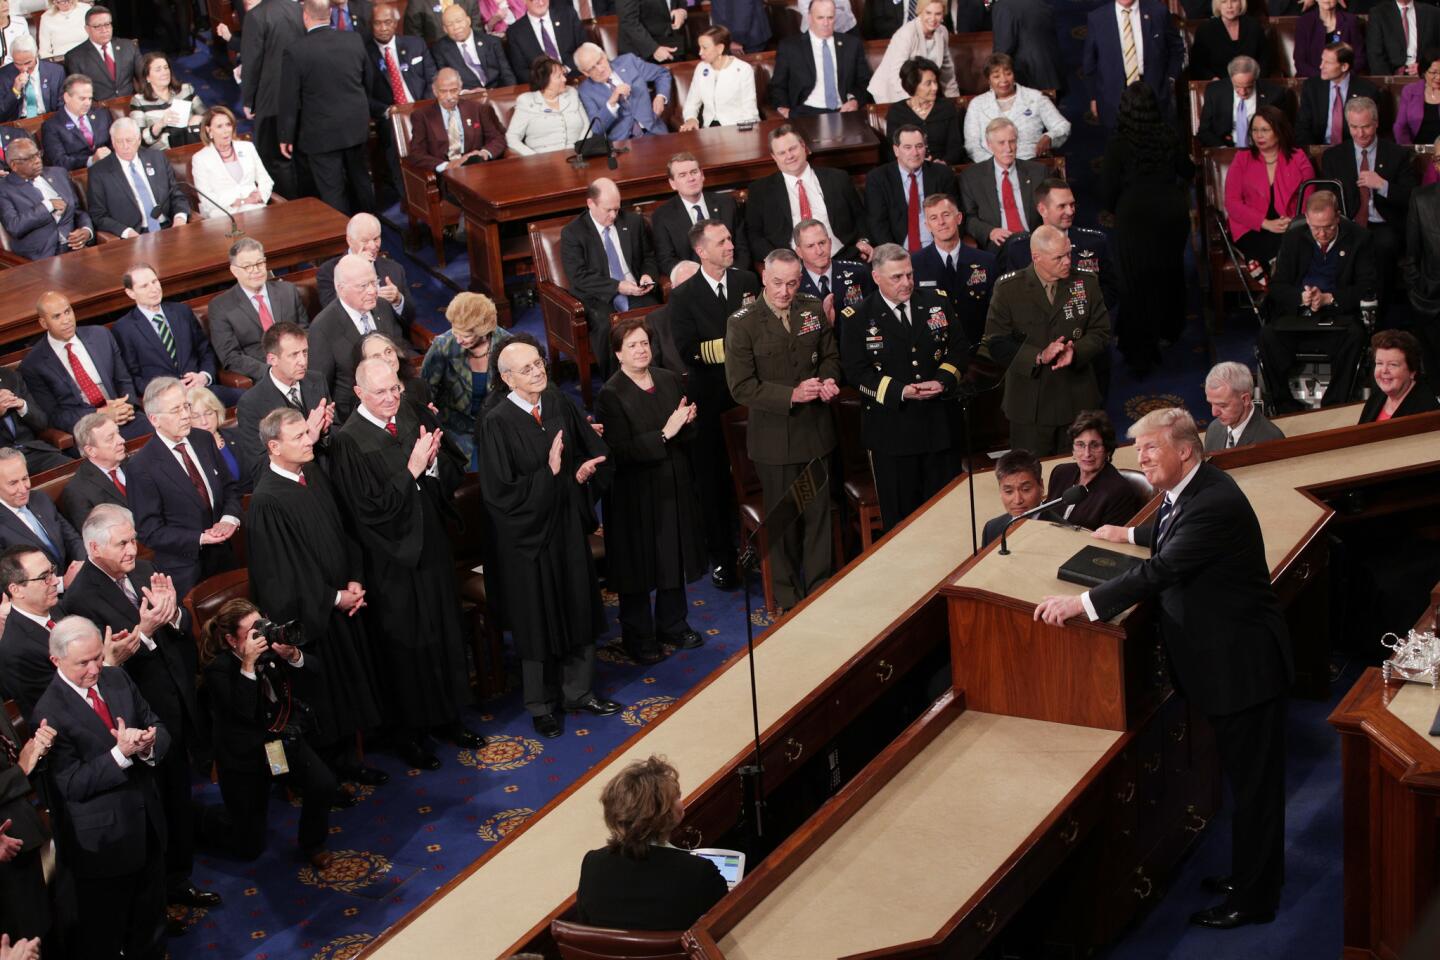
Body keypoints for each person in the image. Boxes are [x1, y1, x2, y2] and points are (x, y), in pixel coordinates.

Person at [1036, 407, 1291, 931]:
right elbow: (1168, 529)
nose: (1142, 458)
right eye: (1141, 448)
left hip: (1244, 669)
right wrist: (1126, 535)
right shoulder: (1192, 491)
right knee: (1248, 785)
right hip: (1224, 665)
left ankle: (1255, 898)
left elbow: (1165, 568)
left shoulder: (1214, 503)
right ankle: (1251, 876)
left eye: (1151, 448)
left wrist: (1082, 604)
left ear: (1184, 450)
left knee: (1256, 792)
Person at [64, 504, 219, 917]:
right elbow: (100, 673)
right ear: (95, 549)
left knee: (179, 795)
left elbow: (182, 626)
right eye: (122, 543)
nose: (133, 549)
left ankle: (180, 877)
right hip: (135, 719)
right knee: (157, 810)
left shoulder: (143, 569)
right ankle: (161, 895)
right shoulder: (80, 601)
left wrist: (172, 616)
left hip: (175, 700)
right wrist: (145, 632)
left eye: (133, 539)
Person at [331, 358, 480, 767]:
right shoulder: (348, 441)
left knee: (443, 631)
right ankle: (410, 733)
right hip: (390, 562)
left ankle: (449, 716)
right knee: (406, 645)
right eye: (380, 392)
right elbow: (366, 511)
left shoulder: (409, 413)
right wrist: (412, 470)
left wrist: (431, 466)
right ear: (359, 394)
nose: (391, 398)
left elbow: (451, 464)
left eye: (394, 388)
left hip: (430, 545)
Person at [479, 339, 620, 737]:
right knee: (536, 620)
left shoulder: (557, 401)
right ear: (507, 379)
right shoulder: (496, 422)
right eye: (526, 369)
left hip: (565, 528)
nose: (539, 371)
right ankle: (541, 704)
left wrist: (577, 473)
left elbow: (587, 452)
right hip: (527, 542)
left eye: (539, 363)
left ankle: (579, 691)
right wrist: (550, 472)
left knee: (578, 604)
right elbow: (500, 494)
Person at [249, 407, 387, 785]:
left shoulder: (311, 474)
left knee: (349, 689)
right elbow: (280, 574)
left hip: (344, 601)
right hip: (314, 617)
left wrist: (355, 579)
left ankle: (350, 762)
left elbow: (342, 529)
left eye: (307, 434)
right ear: (274, 447)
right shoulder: (267, 501)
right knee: (324, 697)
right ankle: (325, 778)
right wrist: (331, 598)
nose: (309, 441)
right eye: (298, 438)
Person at [35, 616, 173, 960]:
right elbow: (71, 784)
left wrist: (148, 743)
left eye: (98, 657)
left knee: (152, 921)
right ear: (57, 661)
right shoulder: (49, 712)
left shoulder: (116, 677)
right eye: (84, 662)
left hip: (147, 823)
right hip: (105, 845)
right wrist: (120, 755)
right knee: (107, 935)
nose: (95, 668)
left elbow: (154, 721)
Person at [724, 249, 839, 611]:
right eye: (777, 283)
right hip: (774, 441)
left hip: (815, 433)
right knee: (785, 522)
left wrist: (830, 379)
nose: (784, 292)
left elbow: (830, 355)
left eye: (792, 283)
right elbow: (740, 386)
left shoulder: (812, 308)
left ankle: (820, 591)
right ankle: (790, 600)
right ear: (763, 278)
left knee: (819, 517)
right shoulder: (742, 322)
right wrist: (791, 394)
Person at [594, 317, 705, 663]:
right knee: (638, 565)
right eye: (633, 346)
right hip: (634, 493)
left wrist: (687, 423)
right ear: (618, 353)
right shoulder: (610, 395)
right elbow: (619, 451)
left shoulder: (668, 379)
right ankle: (638, 636)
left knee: (673, 553)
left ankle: (673, 623)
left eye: (645, 343)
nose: (641, 350)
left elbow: (686, 437)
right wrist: (664, 434)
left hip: (673, 483)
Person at [199, 597, 340, 869]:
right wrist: (248, 665)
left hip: (276, 747)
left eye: (263, 624)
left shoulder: (273, 651)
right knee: (249, 847)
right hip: (245, 759)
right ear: (232, 640)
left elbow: (316, 673)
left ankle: (312, 842)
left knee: (322, 784)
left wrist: (293, 655)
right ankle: (200, 818)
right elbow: (243, 710)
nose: (263, 634)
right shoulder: (218, 671)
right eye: (253, 631)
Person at [839, 244, 965, 531]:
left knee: (947, 515)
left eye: (909, 274)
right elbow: (857, 373)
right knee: (902, 522)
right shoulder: (857, 317)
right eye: (897, 277)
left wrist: (943, 380)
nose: (907, 283)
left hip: (939, 426)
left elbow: (958, 350)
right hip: (892, 431)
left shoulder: (937, 302)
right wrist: (900, 391)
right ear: (876, 278)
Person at [667, 219, 758, 589]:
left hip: (751, 391)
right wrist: (737, 346)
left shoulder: (747, 282)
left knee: (759, 472)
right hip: (712, 398)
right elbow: (690, 350)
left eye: (731, 238)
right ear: (702, 251)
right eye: (722, 241)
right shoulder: (684, 296)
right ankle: (723, 556)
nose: (731, 245)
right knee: (714, 481)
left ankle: (761, 546)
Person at [984, 226, 1111, 456]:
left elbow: (1101, 332)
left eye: (1068, 254)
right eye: (1058, 257)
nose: (1066, 262)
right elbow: (995, 343)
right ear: (1036, 257)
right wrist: (1038, 355)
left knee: (1079, 473)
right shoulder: (1008, 289)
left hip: (1077, 398)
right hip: (1029, 404)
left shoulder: (1086, 282)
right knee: (1032, 474)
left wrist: (1077, 351)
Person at [1100, 83, 1194, 374]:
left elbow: (1106, 191)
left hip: (1135, 216)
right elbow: (1188, 171)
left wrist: (1117, 208)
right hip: (1171, 213)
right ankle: (1169, 330)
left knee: (1136, 281)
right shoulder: (1169, 135)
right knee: (1169, 272)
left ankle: (1140, 347)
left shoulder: (1118, 144)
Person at [575, 756, 728, 930]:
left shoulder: (592, 864)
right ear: (666, 813)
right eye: (677, 797)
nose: (681, 801)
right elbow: (723, 927)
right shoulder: (698, 872)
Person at [1259, 190, 1377, 410]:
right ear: (1307, 219)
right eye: (1315, 228)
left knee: (1355, 336)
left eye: (1328, 227)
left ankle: (1334, 404)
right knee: (1268, 336)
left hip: (1337, 317)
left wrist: (1329, 298)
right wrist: (1300, 298)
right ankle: (1284, 405)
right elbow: (1277, 285)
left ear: (1338, 217)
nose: (1322, 234)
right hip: (1298, 317)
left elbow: (1366, 286)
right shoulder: (1294, 237)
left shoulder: (1360, 239)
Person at [127, 376, 242, 600]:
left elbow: (230, 488)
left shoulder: (203, 439)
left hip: (226, 555)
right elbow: (150, 531)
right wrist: (199, 538)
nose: (185, 415)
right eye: (175, 410)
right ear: (154, 419)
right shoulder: (141, 466)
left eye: (185, 406)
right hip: (185, 570)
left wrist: (229, 518)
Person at [280, 0, 376, 216]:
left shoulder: (296, 51)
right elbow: (368, 80)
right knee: (361, 180)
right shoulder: (354, 40)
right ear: (330, 14)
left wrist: (285, 136)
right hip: (355, 126)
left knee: (332, 190)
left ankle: (343, 240)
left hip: (321, 133)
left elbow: (289, 99)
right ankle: (372, 232)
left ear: (305, 16)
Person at [560, 177, 661, 380]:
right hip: (596, 296)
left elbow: (648, 256)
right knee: (606, 325)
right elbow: (578, 277)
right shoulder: (573, 232)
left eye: (617, 208)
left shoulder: (632, 222)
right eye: (608, 210)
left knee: (656, 316)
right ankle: (615, 385)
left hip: (635, 290)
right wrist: (617, 286)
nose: (614, 215)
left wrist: (647, 274)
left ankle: (657, 377)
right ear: (591, 203)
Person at [1320, 96, 1413, 300]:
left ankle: (1380, 309)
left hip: (1384, 224)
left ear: (1376, 123)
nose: (1360, 133)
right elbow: (1328, 197)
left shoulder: (1397, 154)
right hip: (1347, 224)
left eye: (1366, 127)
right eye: (1354, 127)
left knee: (1384, 246)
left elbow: (1411, 198)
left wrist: (1382, 185)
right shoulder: (1334, 156)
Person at [20, 291, 147, 439]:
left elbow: (123, 380)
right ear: (43, 323)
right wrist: (98, 414)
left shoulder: (101, 335)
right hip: (85, 429)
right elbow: (54, 415)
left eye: (67, 312)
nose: (66, 320)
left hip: (123, 416)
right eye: (57, 316)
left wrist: (127, 406)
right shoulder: (33, 364)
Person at [746, 124, 871, 261]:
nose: (789, 156)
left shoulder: (838, 178)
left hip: (843, 256)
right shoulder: (760, 191)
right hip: (791, 265)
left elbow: (861, 217)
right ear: (774, 157)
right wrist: (776, 261)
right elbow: (754, 236)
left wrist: (863, 241)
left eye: (792, 148)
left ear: (803, 146)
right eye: (782, 153)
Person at [309, 254, 412, 422]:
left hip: (396, 405)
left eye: (374, 282)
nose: (372, 291)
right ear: (341, 289)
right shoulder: (322, 328)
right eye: (363, 286)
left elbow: (400, 355)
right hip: (353, 417)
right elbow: (319, 388)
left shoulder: (383, 306)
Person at [998, 179, 1120, 318]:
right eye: (1062, 206)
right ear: (1042, 209)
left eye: (1072, 205)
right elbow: (1013, 296)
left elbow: (1111, 289)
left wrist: (1086, 313)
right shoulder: (1019, 249)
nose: (1070, 211)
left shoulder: (1095, 242)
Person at [113, 263, 233, 404]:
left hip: (201, 391)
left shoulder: (181, 311)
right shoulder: (124, 328)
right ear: (130, 293)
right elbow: (132, 377)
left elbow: (205, 350)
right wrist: (165, 391)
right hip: (166, 401)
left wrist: (204, 376)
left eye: (154, 281)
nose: (154, 289)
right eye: (144, 286)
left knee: (251, 400)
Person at [422, 292, 513, 469]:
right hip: (455, 426)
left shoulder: (507, 346)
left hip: (499, 424)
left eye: (464, 335)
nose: (457, 339)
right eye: (455, 331)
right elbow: (426, 391)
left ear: (482, 330)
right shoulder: (443, 345)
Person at [236, 321, 335, 479]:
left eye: (305, 352)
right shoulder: (251, 404)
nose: (303, 361)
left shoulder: (317, 380)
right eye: (294, 355)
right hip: (292, 485)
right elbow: (259, 466)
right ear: (272, 359)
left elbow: (335, 433)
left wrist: (325, 432)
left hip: (327, 474)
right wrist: (308, 438)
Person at [207, 238, 311, 382]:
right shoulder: (221, 307)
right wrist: (272, 372)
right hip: (262, 377)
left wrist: (299, 362)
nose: (256, 271)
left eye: (260, 263)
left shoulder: (287, 291)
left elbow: (304, 332)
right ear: (234, 271)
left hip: (301, 368)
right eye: (248, 266)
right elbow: (230, 356)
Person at [1225, 105, 1313, 269]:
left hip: (1289, 225)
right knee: (1283, 250)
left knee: (1292, 242)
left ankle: (1273, 277)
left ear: (1279, 132)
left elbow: (1309, 198)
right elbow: (1232, 203)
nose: (1259, 135)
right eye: (1255, 130)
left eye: (1265, 130)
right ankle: (1277, 273)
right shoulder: (1242, 159)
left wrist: (1292, 222)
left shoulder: (1298, 158)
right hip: (1251, 227)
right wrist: (1265, 223)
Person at [0, 676, 53, 945]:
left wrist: (37, 751)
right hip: (6, 847)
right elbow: (18, 766)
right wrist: (21, 769)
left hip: (23, 831)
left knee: (38, 928)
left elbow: (16, 754)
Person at [365, 2, 435, 197]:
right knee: (393, 133)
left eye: (387, 22)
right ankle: (410, 197)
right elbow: (363, 96)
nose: (383, 28)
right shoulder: (363, 52)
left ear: (396, 23)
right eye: (378, 23)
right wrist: (387, 111)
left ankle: (439, 191)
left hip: (422, 108)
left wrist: (424, 106)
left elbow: (432, 79)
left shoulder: (415, 44)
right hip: (390, 115)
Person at [1082, 0, 1184, 128]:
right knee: (1118, 145)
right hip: (1113, 97)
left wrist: (1171, 79)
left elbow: (1176, 49)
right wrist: (1093, 97)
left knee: (1157, 144)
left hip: (1155, 93)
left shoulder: (1158, 11)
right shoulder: (1097, 18)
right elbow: (1090, 62)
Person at [85, 118, 192, 238]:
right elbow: (98, 215)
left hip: (168, 228)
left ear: (139, 140)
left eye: (129, 140)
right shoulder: (99, 172)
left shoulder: (157, 159)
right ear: (113, 142)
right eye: (119, 141)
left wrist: (179, 219)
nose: (125, 146)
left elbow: (176, 195)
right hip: (134, 236)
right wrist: (126, 232)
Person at [240, 0, 304, 198]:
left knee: (275, 160)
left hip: (272, 100)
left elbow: (251, 62)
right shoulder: (299, 9)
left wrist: (249, 99)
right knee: (301, 155)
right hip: (303, 95)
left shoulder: (256, 16)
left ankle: (288, 209)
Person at [650, 153, 751, 279]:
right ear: (672, 183)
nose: (691, 178)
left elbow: (742, 247)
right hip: (693, 282)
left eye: (694, 172)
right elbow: (665, 259)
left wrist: (734, 273)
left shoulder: (726, 203)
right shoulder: (662, 216)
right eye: (682, 175)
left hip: (732, 276)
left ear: (702, 175)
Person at [913, 194, 996, 346]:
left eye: (946, 215)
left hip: (979, 347)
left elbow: (996, 312)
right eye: (933, 218)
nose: (941, 222)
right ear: (927, 226)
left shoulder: (987, 261)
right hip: (935, 349)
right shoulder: (914, 264)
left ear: (959, 218)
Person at [865, 125, 959, 254]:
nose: (915, 153)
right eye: (908, 147)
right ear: (896, 150)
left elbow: (954, 216)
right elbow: (878, 223)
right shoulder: (878, 178)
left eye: (919, 146)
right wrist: (894, 254)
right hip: (898, 250)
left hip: (938, 247)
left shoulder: (942, 174)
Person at [768, 0, 870, 117]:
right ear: (810, 18)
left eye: (830, 18)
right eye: (820, 18)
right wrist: (784, 110)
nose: (826, 23)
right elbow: (777, 86)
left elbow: (864, 82)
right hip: (805, 113)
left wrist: (855, 101)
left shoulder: (852, 44)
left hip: (844, 111)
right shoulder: (790, 47)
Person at [1045, 410, 1144, 530]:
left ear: (1107, 449)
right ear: (1073, 449)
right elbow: (1046, 517)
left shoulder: (1118, 491)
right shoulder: (1060, 473)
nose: (1087, 454)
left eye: (1095, 445)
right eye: (1080, 445)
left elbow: (1109, 543)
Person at [959, 117, 1045, 252]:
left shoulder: (1038, 172)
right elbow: (969, 218)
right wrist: (990, 232)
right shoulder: (971, 177)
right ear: (989, 144)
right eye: (1001, 143)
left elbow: (1051, 209)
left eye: (1012, 141)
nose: (1008, 148)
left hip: (1035, 240)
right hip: (998, 244)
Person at [0, 136, 94, 260]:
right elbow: (15, 226)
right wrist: (47, 206)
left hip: (75, 250)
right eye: (29, 158)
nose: (37, 160)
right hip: (40, 258)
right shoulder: (5, 188)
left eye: (38, 154)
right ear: (14, 165)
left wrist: (86, 230)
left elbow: (78, 211)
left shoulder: (59, 174)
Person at [317, 212, 416, 329]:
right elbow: (333, 317)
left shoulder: (394, 269)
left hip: (392, 341)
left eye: (376, 239)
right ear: (349, 240)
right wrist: (354, 267)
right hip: (354, 342)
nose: (373, 246)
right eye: (365, 241)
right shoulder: (328, 272)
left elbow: (410, 318)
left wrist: (398, 300)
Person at [963, 53, 1068, 162]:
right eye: (996, 76)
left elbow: (1062, 126)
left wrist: (1049, 136)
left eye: (1008, 73)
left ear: (1014, 74)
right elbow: (972, 144)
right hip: (990, 166)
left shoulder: (1035, 98)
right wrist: (993, 165)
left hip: (1029, 161)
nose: (1004, 80)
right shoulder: (977, 104)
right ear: (988, 80)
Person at [0, 447, 83, 582]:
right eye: (13, 483)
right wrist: (62, 583)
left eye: (25, 478)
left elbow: (72, 539)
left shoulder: (40, 499)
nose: (23, 488)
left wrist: (83, 564)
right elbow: (9, 582)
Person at [407, 67, 507, 177]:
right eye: (443, 91)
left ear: (460, 88)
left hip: (477, 168)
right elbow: (416, 154)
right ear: (435, 91)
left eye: (454, 90)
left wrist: (484, 153)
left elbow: (497, 138)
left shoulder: (477, 109)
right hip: (447, 174)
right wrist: (447, 166)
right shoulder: (422, 116)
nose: (449, 97)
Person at [0, 546, 61, 717]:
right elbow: (59, 706)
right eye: (44, 577)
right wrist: (108, 661)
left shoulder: (58, 609)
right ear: (16, 590)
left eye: (52, 571)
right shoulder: (16, 650)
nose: (56, 581)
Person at [574, 42, 672, 141]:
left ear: (604, 55)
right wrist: (612, 102)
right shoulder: (585, 91)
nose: (600, 69)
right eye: (592, 68)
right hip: (623, 143)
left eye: (599, 62)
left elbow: (662, 73)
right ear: (585, 72)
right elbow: (597, 128)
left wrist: (660, 97)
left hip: (654, 131)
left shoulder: (628, 61)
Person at [190, 105, 274, 221]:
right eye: (219, 126)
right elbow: (206, 199)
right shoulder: (200, 159)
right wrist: (240, 202)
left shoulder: (247, 147)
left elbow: (265, 179)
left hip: (255, 208)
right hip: (223, 214)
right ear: (209, 130)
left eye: (228, 125)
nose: (226, 130)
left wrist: (260, 197)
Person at [868, 0, 957, 104]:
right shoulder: (907, 33)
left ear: (943, 15)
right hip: (890, 92)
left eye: (938, 14)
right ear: (920, 12)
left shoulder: (943, 32)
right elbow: (896, 76)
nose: (933, 19)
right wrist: (913, 102)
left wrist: (955, 101)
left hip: (921, 93)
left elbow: (948, 73)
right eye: (928, 13)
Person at [884, 57, 964, 165]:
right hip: (910, 168)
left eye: (935, 82)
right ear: (913, 85)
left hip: (942, 169)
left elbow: (956, 147)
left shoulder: (947, 108)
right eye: (928, 83)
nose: (935, 87)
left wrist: (944, 162)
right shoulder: (897, 112)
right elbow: (892, 151)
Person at [1295, 42, 1378, 146]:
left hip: (1352, 150)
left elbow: (1371, 131)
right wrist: (1313, 151)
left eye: (1328, 63)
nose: (1321, 66)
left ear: (1344, 67)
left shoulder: (1367, 90)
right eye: (1322, 60)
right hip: (1318, 149)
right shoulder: (1312, 87)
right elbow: (1302, 127)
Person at [1404, 142, 1440, 379]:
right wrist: (1421, 290)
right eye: (1439, 159)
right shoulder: (1421, 199)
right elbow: (1410, 258)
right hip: (1432, 303)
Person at [505, 54, 589, 155]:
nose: (564, 79)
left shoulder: (571, 93)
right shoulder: (526, 101)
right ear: (544, 80)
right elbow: (512, 137)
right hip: (543, 160)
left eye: (564, 75)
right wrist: (532, 156)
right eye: (559, 76)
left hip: (577, 154)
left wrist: (580, 149)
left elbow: (586, 126)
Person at [58, 411, 130, 527]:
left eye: (118, 433)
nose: (121, 440)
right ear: (91, 451)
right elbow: (95, 536)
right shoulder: (77, 492)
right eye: (110, 438)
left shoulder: (134, 463)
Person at [679, 25, 758, 130]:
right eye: (699, 47)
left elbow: (750, 112)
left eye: (705, 48)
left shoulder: (743, 69)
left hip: (738, 129)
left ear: (720, 48)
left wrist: (741, 135)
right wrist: (691, 119)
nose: (700, 52)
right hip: (709, 130)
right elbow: (691, 103)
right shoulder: (701, 68)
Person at [1196, 56, 1285, 149]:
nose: (1242, 92)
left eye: (1248, 87)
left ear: (1255, 79)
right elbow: (1204, 131)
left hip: (1260, 149)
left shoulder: (1274, 94)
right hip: (1226, 148)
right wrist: (1223, 150)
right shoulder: (1215, 91)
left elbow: (1280, 130)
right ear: (1231, 79)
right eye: (1237, 86)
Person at [0, 363, 70, 475]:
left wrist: (23, 406)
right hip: (2, 461)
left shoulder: (10, 376)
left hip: (30, 450)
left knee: (72, 470)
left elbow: (42, 423)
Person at [1202, 360, 1285, 451]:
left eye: (1222, 406)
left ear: (1245, 400)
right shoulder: (1213, 429)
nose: (1214, 413)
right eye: (1211, 404)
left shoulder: (1271, 439)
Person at [128, 52, 203, 150]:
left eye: (166, 68)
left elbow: (210, 117)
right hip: (164, 154)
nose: (164, 72)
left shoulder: (185, 90)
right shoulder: (139, 101)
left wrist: (200, 119)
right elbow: (139, 140)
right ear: (147, 77)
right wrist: (160, 124)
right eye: (158, 70)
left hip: (192, 146)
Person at [62, 5, 139, 99]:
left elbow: (144, 76)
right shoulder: (74, 57)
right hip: (98, 109)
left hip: (131, 103)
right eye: (97, 26)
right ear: (87, 29)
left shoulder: (128, 46)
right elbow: (79, 93)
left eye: (107, 24)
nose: (104, 30)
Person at [1360, 329, 1439, 421]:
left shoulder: (1427, 410)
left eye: (1393, 364)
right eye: (1379, 363)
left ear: (1412, 371)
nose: (1384, 370)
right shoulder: (1375, 399)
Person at [430, 4, 515, 89]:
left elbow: (506, 73)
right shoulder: (440, 50)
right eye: (450, 24)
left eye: (459, 21)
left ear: (468, 21)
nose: (456, 27)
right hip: (467, 96)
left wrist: (510, 94)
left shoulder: (491, 42)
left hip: (497, 92)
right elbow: (447, 82)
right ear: (445, 29)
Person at [40, 74, 112, 170]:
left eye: (90, 98)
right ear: (67, 97)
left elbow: (114, 145)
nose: (87, 103)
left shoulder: (102, 115)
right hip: (80, 175)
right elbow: (59, 161)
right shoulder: (52, 126)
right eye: (82, 98)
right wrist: (90, 160)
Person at [990, 0, 1063, 93]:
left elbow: (1003, 48)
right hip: (1051, 74)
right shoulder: (1040, 2)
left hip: (1028, 79)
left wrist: (993, 75)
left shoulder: (1004, 6)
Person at [981, 448, 1044, 546]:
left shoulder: (1061, 529)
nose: (1018, 500)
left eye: (1026, 489)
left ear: (1041, 486)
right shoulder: (991, 528)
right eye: (1009, 491)